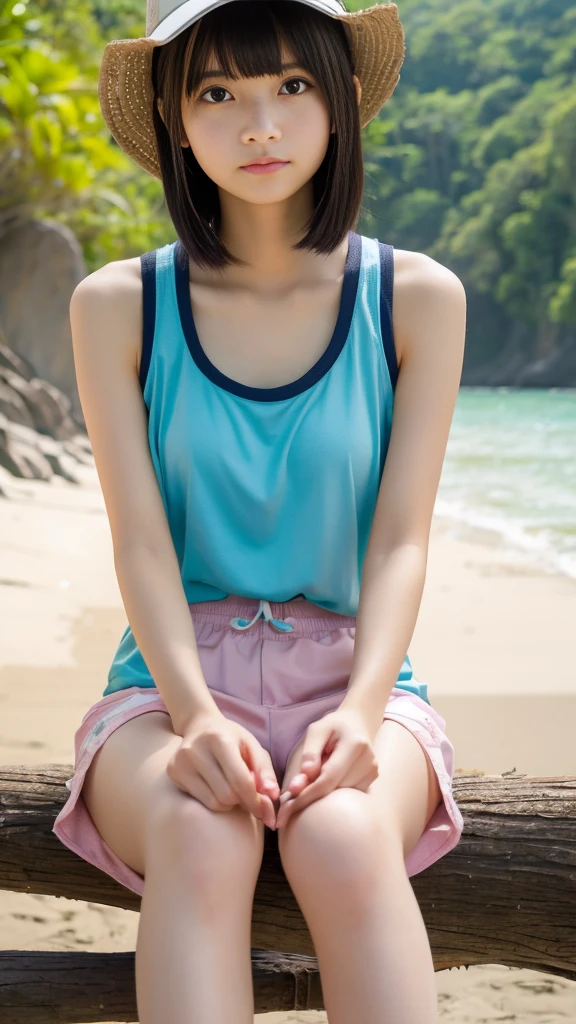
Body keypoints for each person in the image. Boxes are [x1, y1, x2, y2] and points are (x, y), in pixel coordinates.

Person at [53, 1, 467, 1020]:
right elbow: (142, 541)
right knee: (202, 832)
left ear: (341, 101)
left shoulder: (414, 297)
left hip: (358, 670)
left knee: (342, 833)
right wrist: (193, 714)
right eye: (217, 92)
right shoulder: (120, 305)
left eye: (292, 86)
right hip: (167, 681)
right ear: (173, 115)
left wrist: (364, 714)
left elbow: (404, 537)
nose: (261, 126)